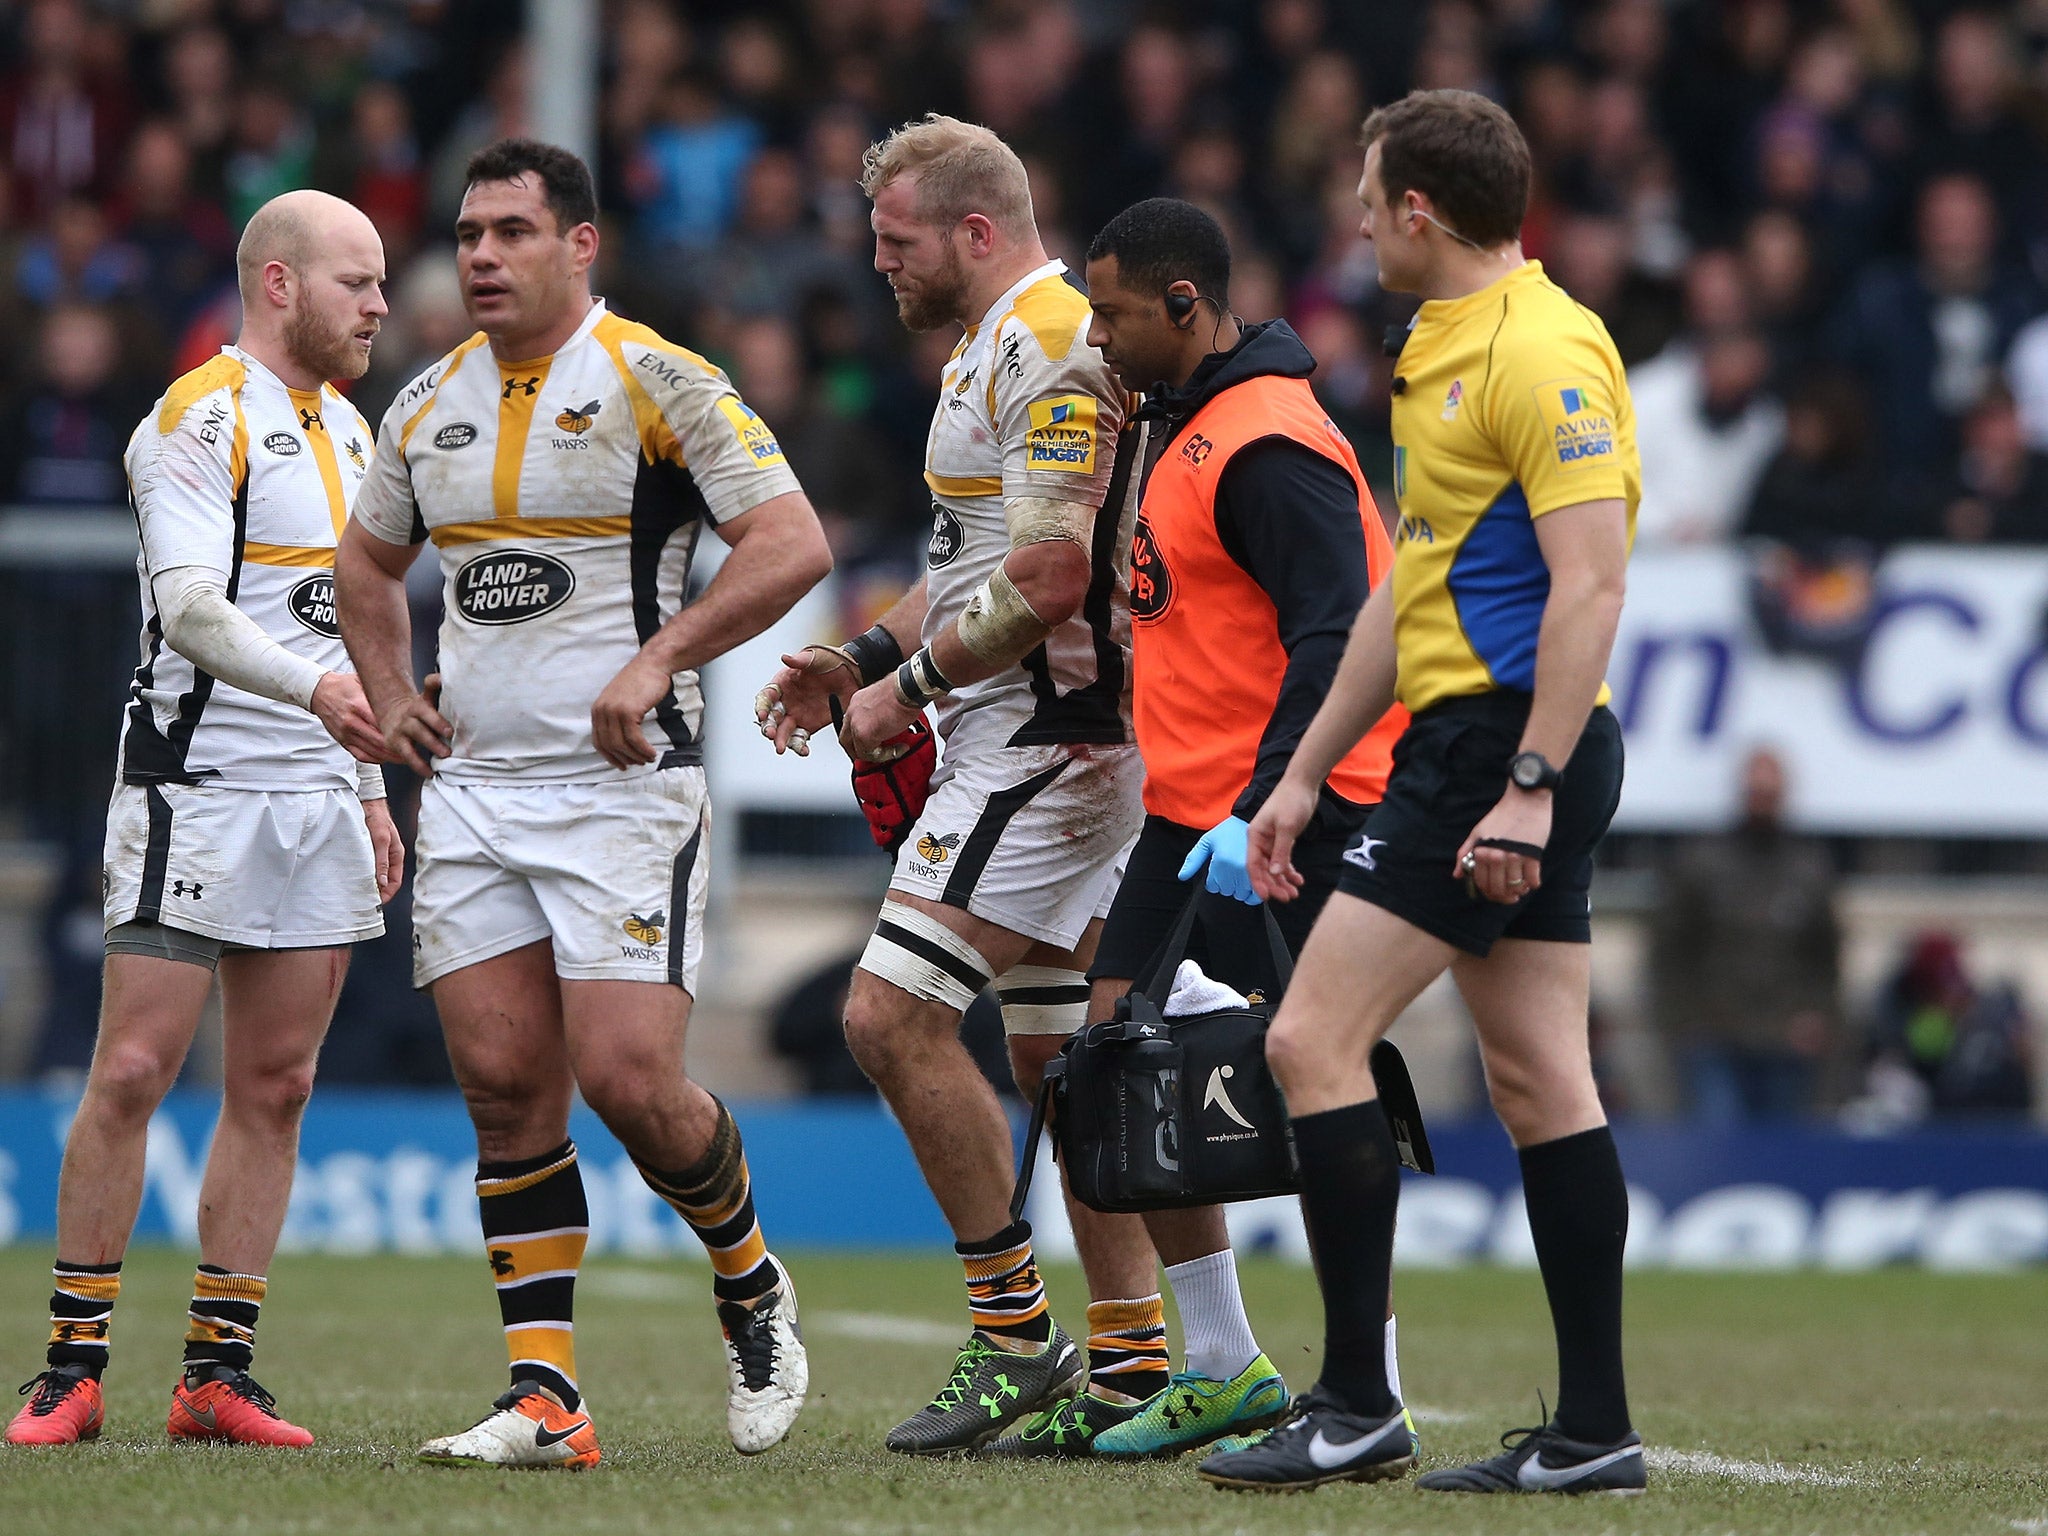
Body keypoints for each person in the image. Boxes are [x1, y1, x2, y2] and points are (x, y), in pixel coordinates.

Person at [334, 139, 832, 1471]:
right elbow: (365, 569)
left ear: (579, 245)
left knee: (625, 1079)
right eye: (468, 233)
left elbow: (792, 543)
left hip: (623, 793)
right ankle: (547, 1398)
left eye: (509, 230)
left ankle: (749, 1279)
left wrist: (661, 659)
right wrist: (391, 692)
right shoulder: (427, 402)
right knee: (505, 1090)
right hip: (479, 792)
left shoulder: (662, 382)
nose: (481, 255)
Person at [1206, 89, 1644, 1495]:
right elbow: (1406, 592)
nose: (1350, 214)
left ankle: (1352, 1405)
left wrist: (1527, 783)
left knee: (1308, 1041)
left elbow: (1593, 583)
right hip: (1470, 744)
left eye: (1365, 190)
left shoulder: (1544, 348)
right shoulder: (1436, 348)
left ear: (1417, 211)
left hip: (1501, 750)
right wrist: (1297, 775)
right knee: (1537, 1078)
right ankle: (1591, 1435)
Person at [754, 115, 1158, 1454]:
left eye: (895, 240)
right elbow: (984, 553)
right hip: (1036, 736)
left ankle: (1012, 1337)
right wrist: (859, 651)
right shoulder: (997, 347)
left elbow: (1046, 583)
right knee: (1061, 1057)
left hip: (1054, 741)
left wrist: (908, 690)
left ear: (974, 232)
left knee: (887, 1016)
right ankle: (1138, 1366)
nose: (879, 264)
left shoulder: (1048, 347)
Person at [988, 194, 1412, 1463]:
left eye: (1111, 316)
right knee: (1108, 1054)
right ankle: (1223, 1364)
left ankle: (1363, 1394)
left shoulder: (1267, 444)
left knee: (1322, 1083)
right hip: (1189, 811)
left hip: (1301, 806)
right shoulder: (1179, 423)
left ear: (1183, 307)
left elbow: (1335, 636)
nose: (1094, 339)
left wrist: (1272, 796)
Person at [5, 191, 401, 1449]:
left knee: (277, 1087)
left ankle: (215, 1375)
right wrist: (322, 693)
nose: (380, 305)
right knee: (130, 1070)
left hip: (320, 795)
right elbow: (188, 609)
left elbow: (362, 629)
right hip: (193, 791)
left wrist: (370, 783)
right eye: (357, 281)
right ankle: (70, 1366)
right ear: (279, 284)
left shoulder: (358, 431)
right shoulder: (194, 417)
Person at [1650, 747, 1840, 1123]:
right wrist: (1681, 1022)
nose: (1763, 801)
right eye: (1757, 791)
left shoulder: (1809, 867)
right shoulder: (1702, 863)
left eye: (1770, 793)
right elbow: (1669, 950)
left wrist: (1818, 1015)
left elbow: (1827, 955)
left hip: (1786, 1038)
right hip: (1712, 1035)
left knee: (1782, 1151)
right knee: (1717, 1143)